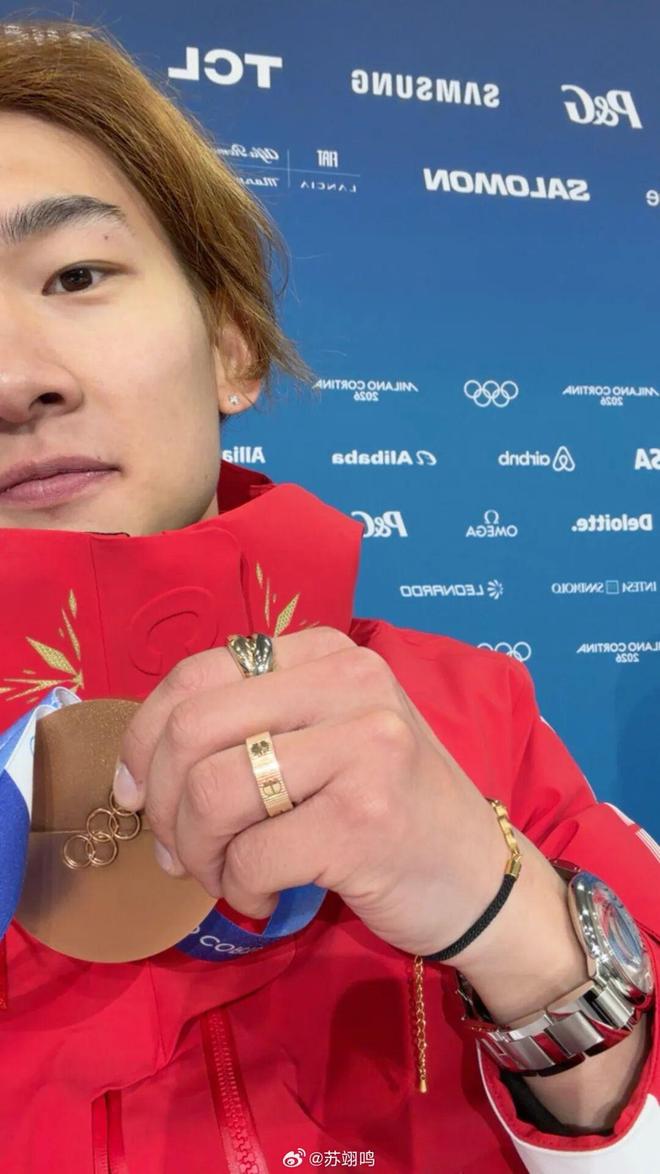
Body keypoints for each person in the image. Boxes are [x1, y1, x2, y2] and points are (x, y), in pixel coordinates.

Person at [0, 18, 656, 1174]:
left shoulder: (473, 717)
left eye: (76, 275)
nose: (15, 378)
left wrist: (508, 921)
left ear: (231, 345)